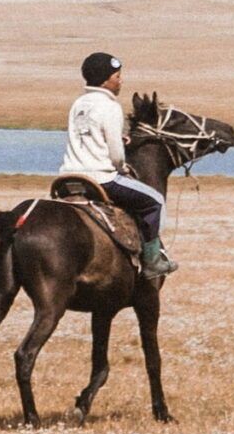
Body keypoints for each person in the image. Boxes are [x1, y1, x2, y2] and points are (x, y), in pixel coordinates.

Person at [60, 50, 177, 280]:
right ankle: (153, 262)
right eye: (117, 77)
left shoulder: (79, 104)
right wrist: (121, 165)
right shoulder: (110, 106)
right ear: (105, 81)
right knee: (154, 201)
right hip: (101, 178)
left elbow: (85, 133)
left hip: (68, 177)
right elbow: (116, 154)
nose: (120, 81)